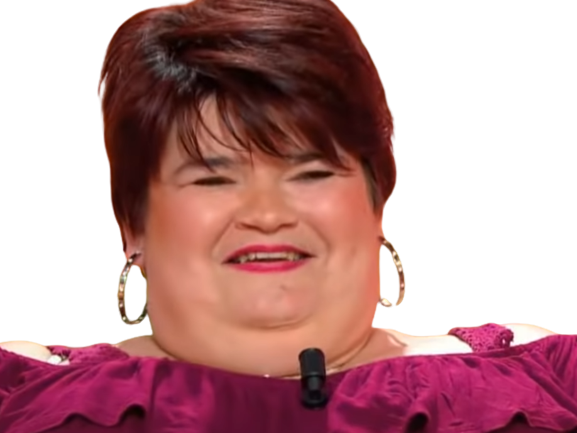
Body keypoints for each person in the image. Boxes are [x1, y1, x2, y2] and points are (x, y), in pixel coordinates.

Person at [0, 0, 575, 431]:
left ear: (377, 202)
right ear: (132, 225)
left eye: (311, 172)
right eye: (213, 178)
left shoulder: (545, 377)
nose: (267, 214)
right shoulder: (18, 391)